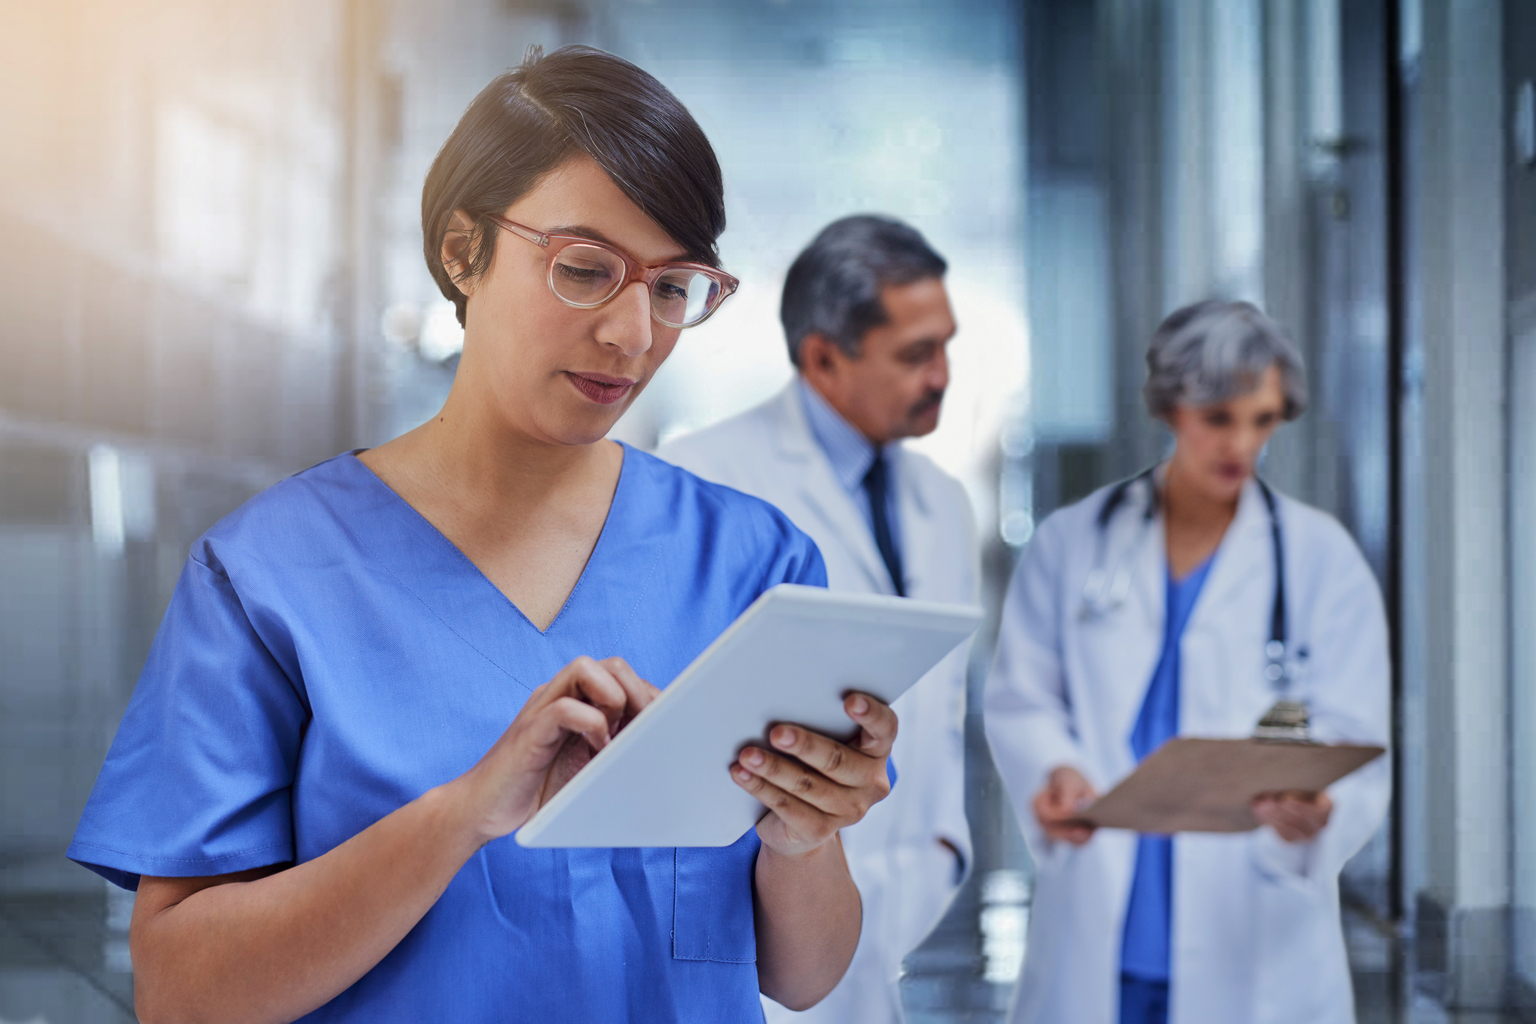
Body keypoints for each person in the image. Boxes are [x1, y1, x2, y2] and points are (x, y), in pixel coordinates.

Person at [67, 46, 899, 1024]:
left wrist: (803, 837)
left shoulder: (752, 565)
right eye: (586, 270)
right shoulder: (269, 579)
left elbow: (803, 974)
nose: (633, 334)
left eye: (674, 288)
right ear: (463, 249)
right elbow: (182, 994)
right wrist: (464, 815)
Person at [983, 300, 1390, 1024]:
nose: (1242, 443)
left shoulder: (1320, 558)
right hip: (1107, 917)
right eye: (1219, 418)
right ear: (1173, 406)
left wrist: (1321, 808)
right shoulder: (1072, 542)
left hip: (1257, 927)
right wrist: (1056, 771)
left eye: (1262, 420)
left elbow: (1355, 736)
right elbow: (1023, 699)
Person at [661, 215, 975, 1024]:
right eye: (916, 354)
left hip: (886, 943)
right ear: (823, 358)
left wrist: (940, 854)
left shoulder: (942, 502)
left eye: (946, 345)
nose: (943, 375)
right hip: (756, 957)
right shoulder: (701, 483)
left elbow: (938, 719)